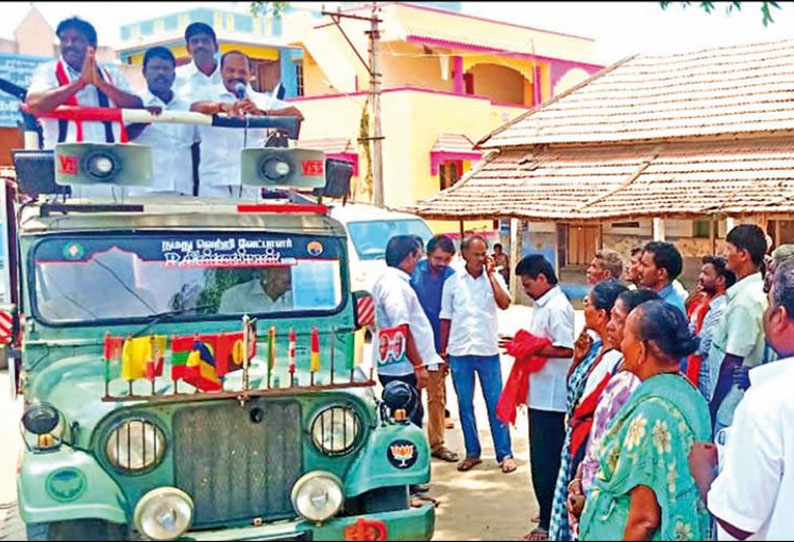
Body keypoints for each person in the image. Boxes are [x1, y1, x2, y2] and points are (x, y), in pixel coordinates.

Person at [578, 300, 711, 541]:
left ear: (641, 349)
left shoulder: (653, 413)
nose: (621, 343)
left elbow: (644, 519)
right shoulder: (688, 393)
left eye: (626, 336)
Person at [699, 259, 794, 540]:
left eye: (768, 302)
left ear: (779, 317)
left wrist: (704, 471)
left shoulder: (769, 402)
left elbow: (738, 521)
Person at [566, 289, 660, 538]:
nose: (609, 325)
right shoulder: (620, 369)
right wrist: (579, 477)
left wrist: (590, 499)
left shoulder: (632, 385)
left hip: (604, 505)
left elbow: (619, 463)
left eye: (618, 319)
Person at [548, 279, 627, 541]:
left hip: (589, 443)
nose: (584, 310)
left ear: (602, 315)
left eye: (588, 305)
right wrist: (577, 361)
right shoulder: (594, 349)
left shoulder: (616, 359)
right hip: (577, 438)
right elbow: (575, 392)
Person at [439, 234, 516, 474]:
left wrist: (492, 275)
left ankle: (505, 453)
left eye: (484, 254)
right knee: (465, 405)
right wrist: (443, 351)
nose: (482, 258)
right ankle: (472, 452)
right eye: (477, 254)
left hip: (487, 350)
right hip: (460, 350)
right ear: (464, 255)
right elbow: (446, 317)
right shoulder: (452, 282)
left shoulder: (492, 279)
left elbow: (505, 303)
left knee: (496, 403)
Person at [513, 255, 575, 541]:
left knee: (545, 460)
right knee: (540, 458)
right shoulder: (542, 305)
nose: (525, 289)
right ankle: (546, 511)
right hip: (539, 392)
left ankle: (548, 522)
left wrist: (530, 349)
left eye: (527, 283)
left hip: (551, 397)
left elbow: (565, 349)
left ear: (541, 278)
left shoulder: (558, 307)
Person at [190, 50, 304, 197]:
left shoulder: (261, 100)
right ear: (221, 71)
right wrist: (221, 107)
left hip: (250, 184)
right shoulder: (206, 94)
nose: (236, 76)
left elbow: (297, 115)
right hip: (214, 183)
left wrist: (262, 114)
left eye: (242, 71)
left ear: (250, 73)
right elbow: (195, 107)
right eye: (230, 71)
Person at [26, 17, 142, 149]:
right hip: (64, 163)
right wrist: (80, 83)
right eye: (64, 40)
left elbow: (137, 107)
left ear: (93, 45)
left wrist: (101, 84)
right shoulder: (48, 71)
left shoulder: (112, 74)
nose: (69, 45)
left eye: (76, 40)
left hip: (110, 160)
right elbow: (34, 104)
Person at [709, 224, 767, 435]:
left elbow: (732, 362)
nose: (725, 255)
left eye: (729, 249)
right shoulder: (751, 292)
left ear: (743, 254)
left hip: (731, 402)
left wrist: (713, 406)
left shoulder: (745, 301)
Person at [410, 234, 459, 463]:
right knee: (410, 397)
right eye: (438, 258)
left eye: (447, 259)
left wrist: (445, 348)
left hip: (437, 346)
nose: (441, 263)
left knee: (436, 396)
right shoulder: (413, 272)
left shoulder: (452, 277)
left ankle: (437, 444)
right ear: (428, 255)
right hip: (411, 342)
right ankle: (409, 443)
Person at [124, 47, 199, 196]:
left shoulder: (187, 107)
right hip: (143, 191)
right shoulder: (133, 104)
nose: (160, 73)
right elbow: (121, 138)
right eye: (155, 68)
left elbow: (195, 147)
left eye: (166, 69)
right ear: (144, 73)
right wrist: (143, 120)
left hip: (182, 189)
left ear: (173, 74)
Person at [690, 256, 735, 399]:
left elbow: (700, 345)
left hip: (709, 386)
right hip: (698, 382)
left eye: (706, 273)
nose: (700, 277)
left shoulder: (721, 309)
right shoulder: (704, 306)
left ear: (720, 280)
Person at [174, 23, 222, 100]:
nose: (200, 45)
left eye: (205, 41)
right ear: (188, 49)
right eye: (195, 41)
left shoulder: (232, 75)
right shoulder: (176, 77)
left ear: (216, 47)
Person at [638, 241, 687, 315]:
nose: (639, 269)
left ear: (661, 273)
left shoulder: (670, 310)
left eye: (645, 265)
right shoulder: (646, 298)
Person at [218, 266, 293, 313]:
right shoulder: (234, 296)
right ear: (268, 273)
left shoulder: (297, 296)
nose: (290, 287)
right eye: (287, 282)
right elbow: (225, 329)